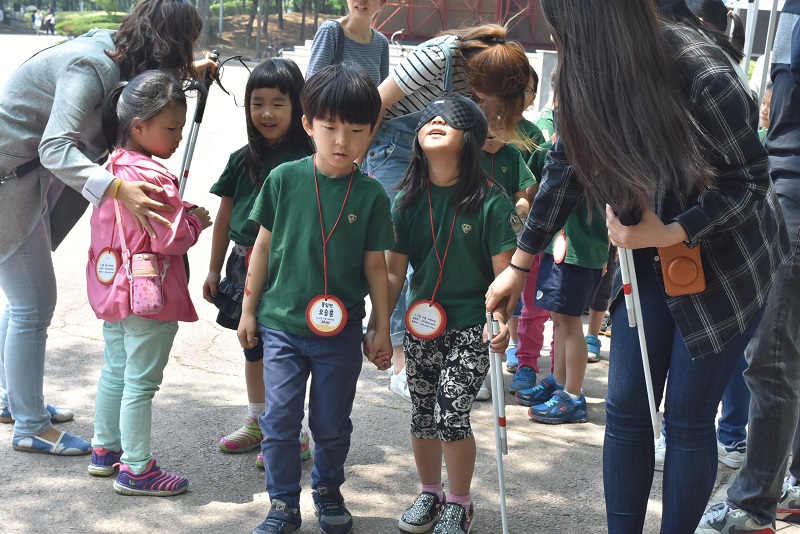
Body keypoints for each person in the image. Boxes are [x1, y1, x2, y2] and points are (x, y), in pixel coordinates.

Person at [485, 0, 788, 531]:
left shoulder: (699, 72)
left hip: (726, 262)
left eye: (564, 28)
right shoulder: (587, 75)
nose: (560, 42)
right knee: (627, 407)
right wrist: (520, 263)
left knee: (688, 418)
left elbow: (749, 183)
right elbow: (565, 167)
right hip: (643, 256)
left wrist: (671, 231)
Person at [0, 0, 211, 456]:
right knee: (33, 304)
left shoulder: (113, 54)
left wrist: (192, 72)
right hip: (8, 186)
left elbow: (135, 91)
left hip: (21, 184)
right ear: (165, 45)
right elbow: (55, 148)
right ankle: (30, 424)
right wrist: (118, 189)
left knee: (23, 301)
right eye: (184, 49)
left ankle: (11, 398)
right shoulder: (89, 66)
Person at [239, 63, 393, 534]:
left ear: (371, 132)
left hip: (340, 333)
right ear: (308, 125)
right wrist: (248, 308)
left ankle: (328, 489)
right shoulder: (284, 178)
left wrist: (381, 325)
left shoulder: (370, 195)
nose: (342, 140)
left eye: (356, 130)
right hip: (282, 325)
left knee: (330, 422)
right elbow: (261, 245)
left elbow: (374, 265)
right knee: (279, 418)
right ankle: (281, 503)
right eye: (330, 127)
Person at [365, 93, 514, 534]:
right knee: (422, 412)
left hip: (472, 324)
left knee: (451, 412)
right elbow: (393, 273)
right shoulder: (408, 201)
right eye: (428, 118)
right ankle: (429, 493)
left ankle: (460, 502)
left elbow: (505, 276)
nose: (434, 122)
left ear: (470, 138)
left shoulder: (492, 202)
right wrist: (378, 323)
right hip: (421, 325)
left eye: (448, 119)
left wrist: (503, 321)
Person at [365, 23, 532, 403]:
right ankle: (402, 362)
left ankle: (459, 360)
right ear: (482, 81)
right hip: (394, 146)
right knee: (406, 260)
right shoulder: (439, 56)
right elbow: (376, 102)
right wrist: (355, 166)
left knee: (446, 248)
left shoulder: (485, 72)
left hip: (443, 151)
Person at [695, 1, 800, 531]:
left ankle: (753, 504)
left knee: (771, 357)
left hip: (792, 189)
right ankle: (788, 485)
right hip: (782, 182)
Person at [85, 69, 211, 494]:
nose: (177, 138)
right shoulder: (155, 176)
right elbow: (171, 238)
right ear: (139, 126)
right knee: (140, 382)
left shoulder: (113, 170)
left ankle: (104, 450)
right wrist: (195, 220)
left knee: (115, 371)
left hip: (114, 289)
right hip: (148, 295)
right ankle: (137, 468)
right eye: (170, 128)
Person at [203, 58, 315, 467]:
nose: (266, 113)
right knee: (252, 347)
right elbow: (223, 218)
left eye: (278, 103)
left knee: (283, 352)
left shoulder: (311, 161)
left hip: (288, 268)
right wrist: (215, 268)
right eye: (257, 103)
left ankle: (293, 433)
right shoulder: (240, 158)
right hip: (242, 263)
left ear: (299, 107)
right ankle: (258, 420)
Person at [306, 0, 389, 86]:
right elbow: (312, 89)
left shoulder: (382, 43)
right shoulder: (331, 31)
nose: (361, 1)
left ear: (383, 2)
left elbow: (382, 94)